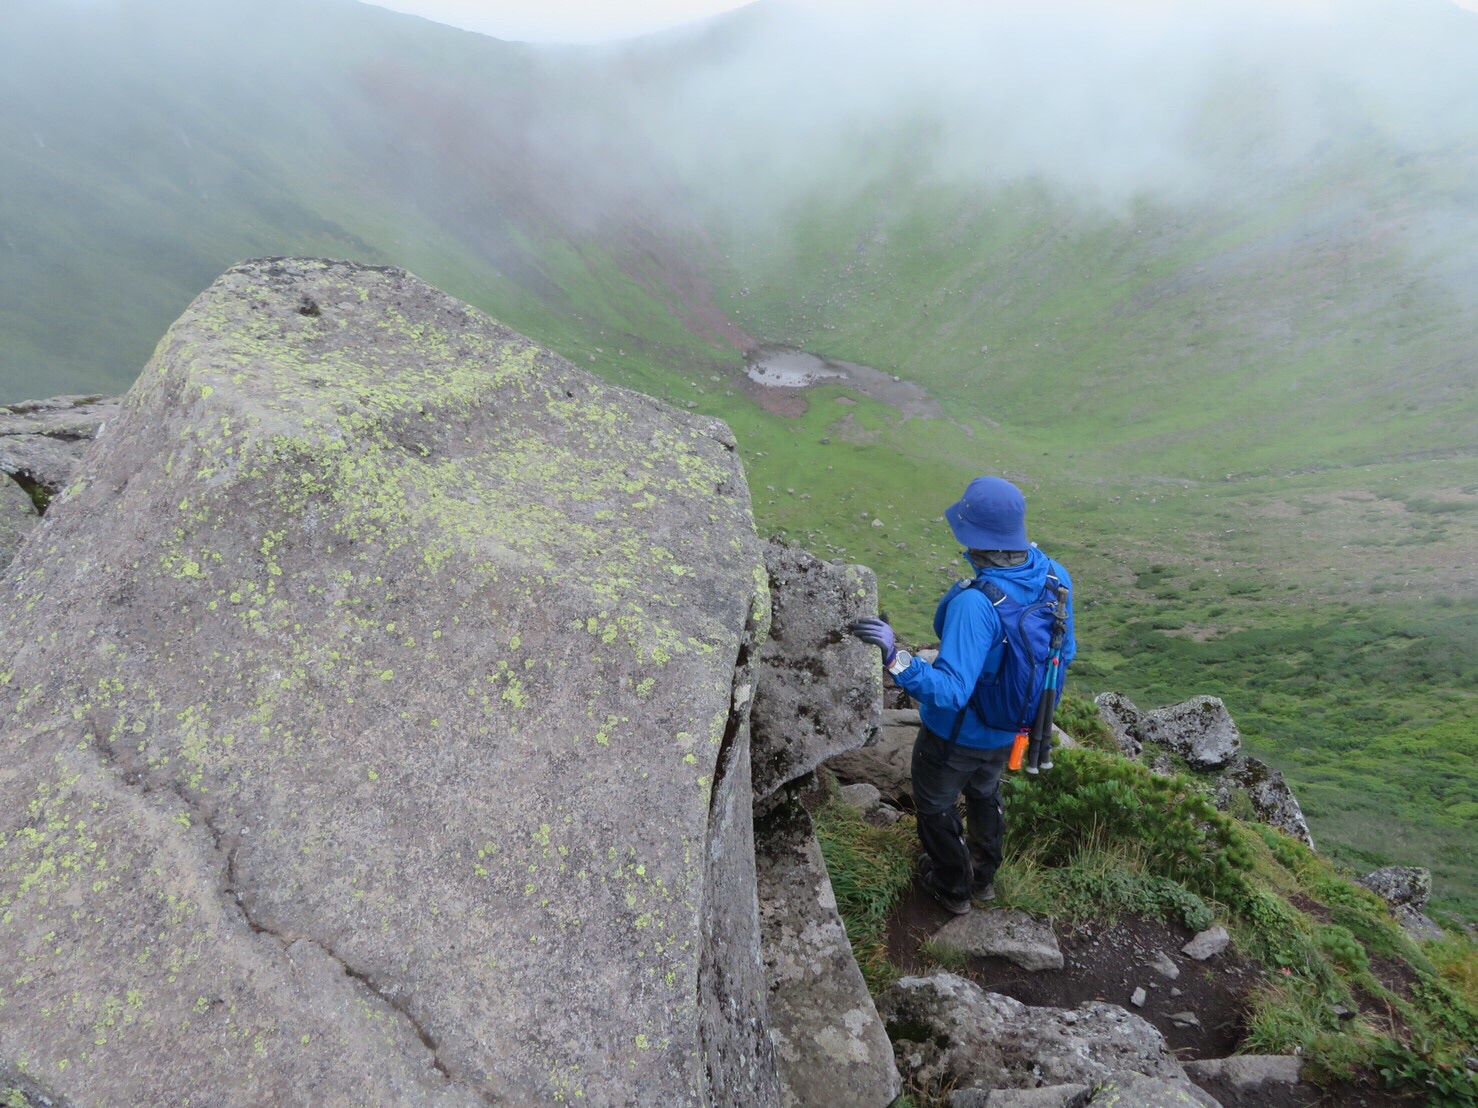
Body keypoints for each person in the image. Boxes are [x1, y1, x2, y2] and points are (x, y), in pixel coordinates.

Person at [850, 476, 1076, 914]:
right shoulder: (1054, 575)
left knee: (934, 805)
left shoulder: (976, 604)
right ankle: (984, 878)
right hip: (1015, 728)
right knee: (985, 792)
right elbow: (1064, 651)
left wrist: (896, 657)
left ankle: (952, 886)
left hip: (955, 735)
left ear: (973, 537)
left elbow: (952, 692)